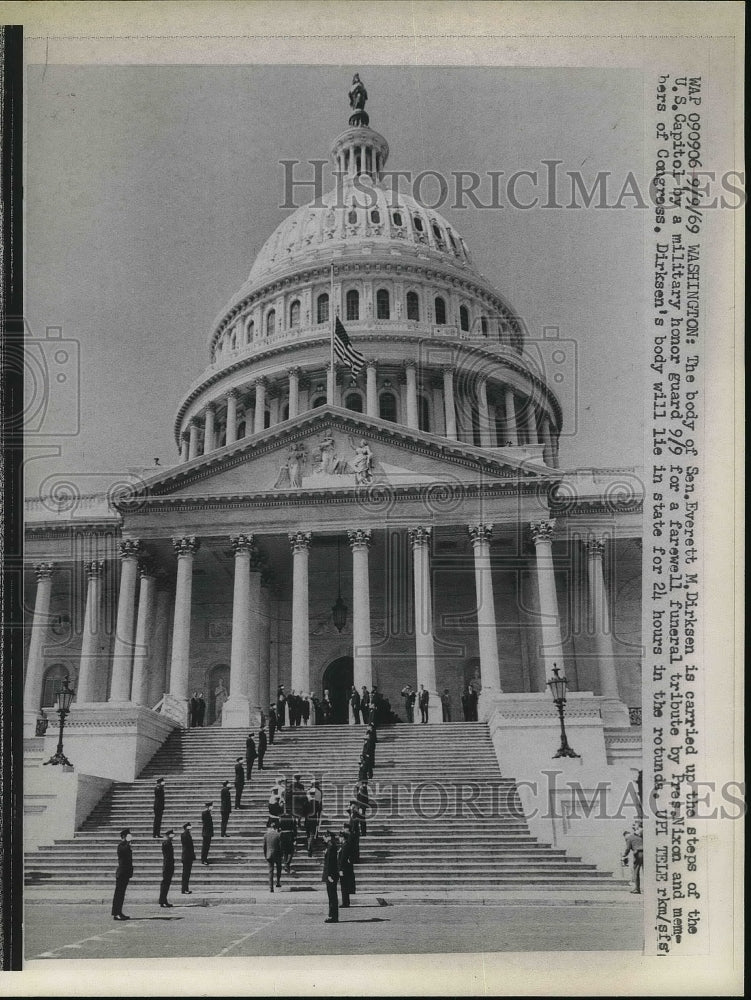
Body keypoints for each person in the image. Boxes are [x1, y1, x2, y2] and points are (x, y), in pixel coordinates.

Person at [111, 828, 133, 920]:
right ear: (124, 836)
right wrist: (127, 844)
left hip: (125, 873)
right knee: (119, 894)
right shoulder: (121, 846)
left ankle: (119, 912)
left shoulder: (126, 845)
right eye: (128, 835)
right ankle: (116, 913)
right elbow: (124, 854)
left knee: (121, 894)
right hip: (122, 873)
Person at [322, 830, 340, 923]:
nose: (324, 839)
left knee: (332, 895)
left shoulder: (331, 846)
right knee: (332, 895)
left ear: (328, 837)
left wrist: (329, 875)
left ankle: (333, 916)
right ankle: (332, 915)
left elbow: (330, 862)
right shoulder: (331, 846)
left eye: (325, 837)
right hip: (332, 874)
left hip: (331, 875)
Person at [622, 822, 644, 894]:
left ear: (625, 836)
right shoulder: (639, 835)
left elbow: (627, 849)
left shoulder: (629, 838)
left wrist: (624, 855)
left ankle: (637, 889)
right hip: (646, 853)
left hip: (638, 854)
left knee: (636, 872)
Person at [338, 825, 356, 908]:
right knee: (344, 886)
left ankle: (345, 902)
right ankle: (346, 902)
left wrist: (340, 869)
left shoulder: (345, 846)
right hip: (345, 868)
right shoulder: (344, 845)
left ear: (343, 838)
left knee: (344, 886)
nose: (339, 839)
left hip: (344, 869)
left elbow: (343, 859)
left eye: (340, 837)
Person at [263, 818, 282, 892]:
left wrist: (265, 855)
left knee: (270, 871)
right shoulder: (278, 835)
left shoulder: (266, 835)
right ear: (276, 828)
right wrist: (281, 854)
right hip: (277, 854)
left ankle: (271, 887)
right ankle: (278, 882)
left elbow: (264, 847)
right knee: (278, 869)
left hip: (269, 855)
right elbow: (280, 846)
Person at [159, 829, 175, 908]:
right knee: (165, 883)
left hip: (169, 865)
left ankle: (164, 900)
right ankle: (162, 900)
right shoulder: (166, 843)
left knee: (166, 884)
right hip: (167, 866)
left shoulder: (168, 843)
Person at [180, 821, 195, 894]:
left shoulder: (186, 834)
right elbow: (188, 847)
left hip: (187, 856)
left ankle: (185, 888)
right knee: (186, 874)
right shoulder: (185, 835)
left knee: (187, 874)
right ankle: (184, 889)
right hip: (187, 856)